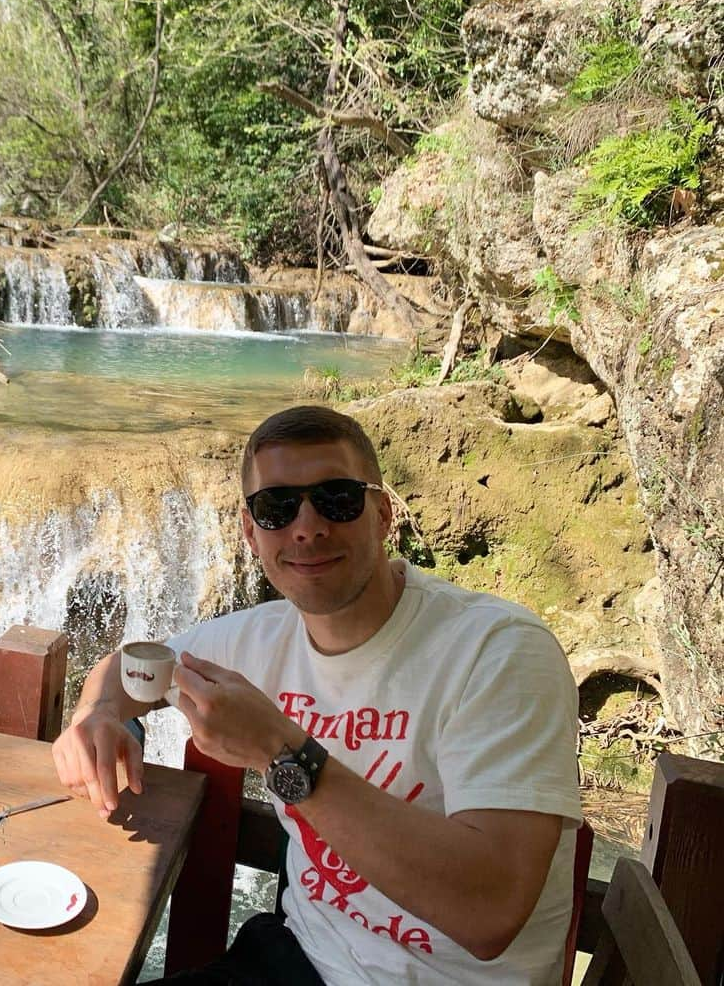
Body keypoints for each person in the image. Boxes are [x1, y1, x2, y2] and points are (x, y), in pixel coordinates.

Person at [53, 406, 582, 985]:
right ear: (251, 533)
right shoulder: (260, 638)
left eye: (337, 498)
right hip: (302, 959)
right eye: (277, 508)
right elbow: (130, 663)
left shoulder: (499, 652)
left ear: (383, 514)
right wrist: (99, 714)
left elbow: (491, 911)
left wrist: (282, 752)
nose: (306, 527)